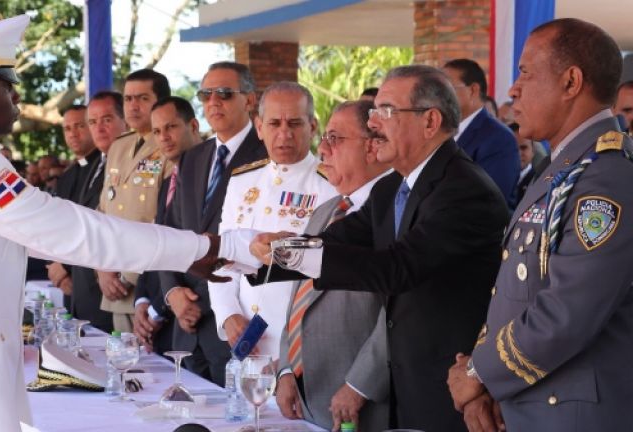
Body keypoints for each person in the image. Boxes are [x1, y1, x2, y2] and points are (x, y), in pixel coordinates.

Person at [0, 15, 225, 432]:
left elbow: (50, 239)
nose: (16, 95)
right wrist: (199, 248)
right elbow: (77, 233)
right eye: (5, 84)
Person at [245, 65, 509, 431]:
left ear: (430, 122)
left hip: (448, 388)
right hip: (403, 383)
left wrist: (293, 253)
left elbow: (397, 268)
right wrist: (276, 252)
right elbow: (339, 240)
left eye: (385, 111)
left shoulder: (464, 189)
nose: (373, 124)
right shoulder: (392, 188)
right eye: (373, 112)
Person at [447, 18, 633, 432]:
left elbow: (566, 314)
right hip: (527, 405)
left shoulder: (605, 178)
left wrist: (479, 373)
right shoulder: (562, 168)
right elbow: (514, 291)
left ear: (571, 82)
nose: (513, 88)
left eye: (526, 72)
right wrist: (491, 386)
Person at [274, 100, 392, 431]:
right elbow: (298, 300)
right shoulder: (324, 211)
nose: (322, 149)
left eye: (335, 138)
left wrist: (359, 385)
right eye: (324, 137)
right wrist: (286, 371)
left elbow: (398, 315)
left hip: (362, 404)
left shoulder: (394, 215)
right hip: (308, 398)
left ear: (372, 147)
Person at [209, 82, 336, 358]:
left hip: (299, 344)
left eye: (294, 123)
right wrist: (228, 314)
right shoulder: (243, 180)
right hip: (244, 339)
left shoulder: (330, 185)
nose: (284, 134)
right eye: (274, 123)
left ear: (312, 127)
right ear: (259, 127)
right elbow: (223, 254)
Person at [160, 61, 268, 385]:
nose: (213, 102)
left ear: (249, 100)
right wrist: (173, 291)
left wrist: (224, 309)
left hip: (236, 324)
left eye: (224, 93)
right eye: (206, 94)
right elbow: (171, 230)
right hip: (187, 324)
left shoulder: (268, 154)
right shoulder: (194, 157)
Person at [95, 68, 172, 333]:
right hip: (112, 281)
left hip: (146, 282)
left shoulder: (169, 146)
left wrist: (128, 276)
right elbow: (103, 211)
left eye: (142, 98)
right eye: (128, 99)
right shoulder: (119, 146)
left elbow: (162, 219)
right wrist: (102, 267)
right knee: (120, 366)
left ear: (160, 102)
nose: (133, 106)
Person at [133, 96, 201, 355]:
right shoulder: (168, 182)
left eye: (171, 127)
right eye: (157, 131)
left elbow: (197, 249)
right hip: (160, 315)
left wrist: (157, 310)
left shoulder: (210, 180)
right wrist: (142, 300)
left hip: (190, 313)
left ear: (193, 127)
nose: (163, 137)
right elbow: (158, 243)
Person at [67, 91, 128, 333]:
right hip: (85, 289)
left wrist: (104, 266)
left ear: (124, 121)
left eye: (107, 119)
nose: (99, 128)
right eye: (92, 122)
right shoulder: (93, 165)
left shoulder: (132, 164)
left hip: (117, 288)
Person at [443, 58, 520, 210]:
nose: (438, 96)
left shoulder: (499, 138)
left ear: (473, 90)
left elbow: (490, 200)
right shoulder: (442, 133)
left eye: (446, 89)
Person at [46, 104, 99, 307]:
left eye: (79, 126)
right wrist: (56, 267)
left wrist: (66, 267)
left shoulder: (104, 168)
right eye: (67, 129)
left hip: (93, 280)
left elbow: (92, 222)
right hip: (70, 285)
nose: (73, 134)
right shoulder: (67, 175)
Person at [510, 123, 535, 204]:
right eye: (513, 147)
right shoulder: (495, 179)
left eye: (523, 148)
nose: (518, 153)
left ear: (533, 150)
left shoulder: (541, 181)